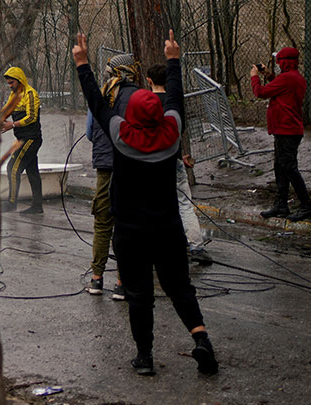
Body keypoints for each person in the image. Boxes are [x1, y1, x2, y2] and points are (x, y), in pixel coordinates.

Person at [73, 30, 218, 376]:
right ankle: (201, 339)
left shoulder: (121, 135)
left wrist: (82, 64)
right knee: (180, 288)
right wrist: (173, 60)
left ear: (132, 115)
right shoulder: (171, 133)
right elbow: (175, 98)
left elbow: (96, 102)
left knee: (139, 295)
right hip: (168, 228)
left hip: (131, 232)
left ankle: (145, 357)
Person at [146, 64, 213, 265]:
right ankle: (196, 245)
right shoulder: (173, 103)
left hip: (151, 161)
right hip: (173, 159)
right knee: (183, 203)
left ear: (149, 80)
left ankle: (155, 246)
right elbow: (178, 130)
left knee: (152, 204)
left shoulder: (145, 102)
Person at [85, 54, 139, 300]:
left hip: (105, 166)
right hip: (130, 165)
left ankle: (96, 279)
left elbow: (89, 133)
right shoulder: (138, 96)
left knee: (102, 223)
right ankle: (121, 283)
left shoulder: (100, 95)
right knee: (126, 224)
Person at [251, 48, 311, 222]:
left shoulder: (287, 78)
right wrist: (268, 75)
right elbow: (280, 87)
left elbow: (261, 93)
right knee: (280, 166)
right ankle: (281, 204)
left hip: (287, 129)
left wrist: (254, 77)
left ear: (285, 62)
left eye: (280, 62)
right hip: (286, 129)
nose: (279, 65)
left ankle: (307, 206)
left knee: (289, 167)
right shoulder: (294, 77)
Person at [0, 67, 43, 214]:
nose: (10, 86)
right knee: (32, 171)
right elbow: (7, 109)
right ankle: (37, 206)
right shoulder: (14, 95)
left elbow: (32, 117)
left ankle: (11, 204)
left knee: (13, 168)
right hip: (22, 138)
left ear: (19, 80)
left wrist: (12, 125)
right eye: (8, 83)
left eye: (12, 82)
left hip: (31, 139)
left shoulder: (30, 94)